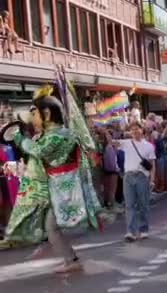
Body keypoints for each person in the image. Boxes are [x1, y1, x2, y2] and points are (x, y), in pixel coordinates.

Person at [2, 85, 102, 273]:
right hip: (56, 187)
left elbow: (40, 152)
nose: (32, 119)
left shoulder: (61, 135)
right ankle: (70, 258)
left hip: (64, 189)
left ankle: (71, 260)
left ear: (46, 113)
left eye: (34, 114)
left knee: (51, 227)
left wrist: (18, 138)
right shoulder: (50, 135)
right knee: (50, 227)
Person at [116, 122, 156, 242]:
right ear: (130, 132)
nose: (135, 131)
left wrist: (152, 180)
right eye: (132, 130)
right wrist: (104, 131)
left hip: (141, 176)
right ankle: (131, 232)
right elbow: (113, 142)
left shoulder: (148, 146)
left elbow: (152, 164)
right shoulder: (126, 143)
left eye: (137, 129)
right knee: (129, 205)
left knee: (143, 204)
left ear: (141, 130)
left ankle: (143, 229)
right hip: (128, 176)